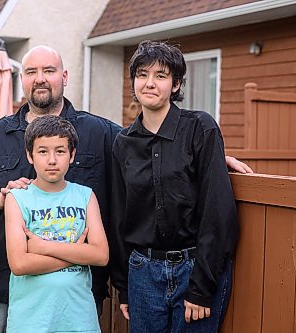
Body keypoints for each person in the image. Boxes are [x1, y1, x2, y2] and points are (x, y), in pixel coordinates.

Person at [0, 45, 251, 333]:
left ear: (64, 76)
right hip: (2, 283)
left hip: (82, 292)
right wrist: (4, 197)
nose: (40, 78)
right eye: (31, 72)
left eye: (48, 71)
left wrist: (210, 155)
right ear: (20, 78)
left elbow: (155, 150)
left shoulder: (100, 132)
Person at [110, 40, 239, 332]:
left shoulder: (200, 129)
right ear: (133, 82)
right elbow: (119, 217)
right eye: (142, 75)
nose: (150, 83)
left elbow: (217, 211)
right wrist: (124, 286)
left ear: (176, 83)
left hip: (194, 269)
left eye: (161, 75)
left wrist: (202, 286)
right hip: (142, 273)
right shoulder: (123, 143)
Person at [5, 115, 108, 332]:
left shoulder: (86, 196)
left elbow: (100, 255)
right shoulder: (17, 199)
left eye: (60, 151)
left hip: (78, 320)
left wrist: (43, 248)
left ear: (72, 155)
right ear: (30, 155)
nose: (52, 160)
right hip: (32, 321)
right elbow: (19, 264)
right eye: (43, 151)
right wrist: (77, 254)